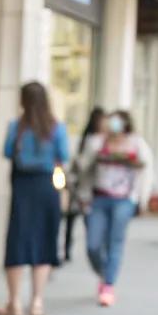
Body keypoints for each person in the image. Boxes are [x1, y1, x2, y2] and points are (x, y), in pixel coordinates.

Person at [0, 81, 69, 315]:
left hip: (22, 186)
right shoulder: (56, 127)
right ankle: (37, 301)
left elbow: (8, 152)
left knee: (18, 239)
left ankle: (14, 302)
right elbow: (64, 156)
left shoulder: (16, 127)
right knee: (44, 239)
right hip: (47, 186)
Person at [79, 110, 152, 305]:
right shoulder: (96, 142)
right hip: (99, 198)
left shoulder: (137, 143)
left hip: (124, 200)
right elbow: (83, 167)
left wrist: (141, 200)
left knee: (115, 241)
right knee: (93, 245)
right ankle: (104, 273)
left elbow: (146, 170)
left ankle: (108, 285)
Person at [62, 106, 105, 262]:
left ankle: (90, 252)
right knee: (73, 220)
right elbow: (81, 164)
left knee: (83, 222)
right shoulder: (90, 140)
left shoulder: (100, 141)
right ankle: (69, 250)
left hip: (90, 189)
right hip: (82, 187)